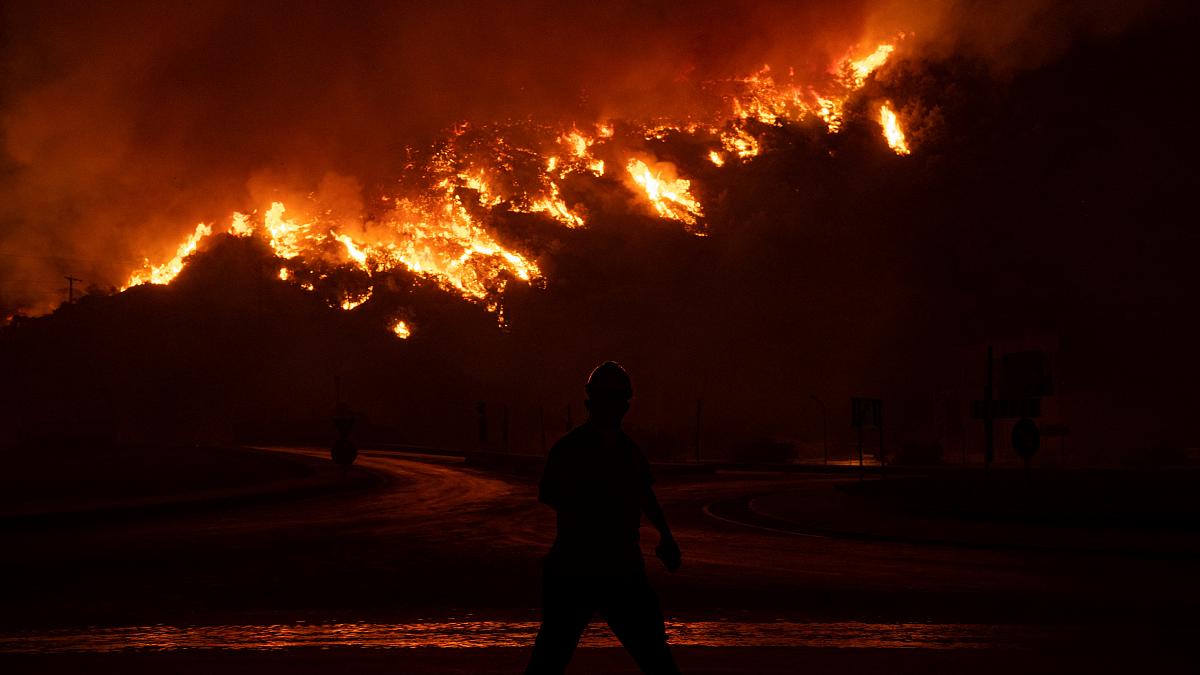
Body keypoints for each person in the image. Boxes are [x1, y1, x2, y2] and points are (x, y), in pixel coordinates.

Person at [525, 361, 682, 675]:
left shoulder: (612, 449)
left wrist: (666, 535)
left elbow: (643, 494)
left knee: (552, 657)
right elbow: (551, 493)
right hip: (595, 567)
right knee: (653, 656)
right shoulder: (587, 449)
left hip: (592, 567)